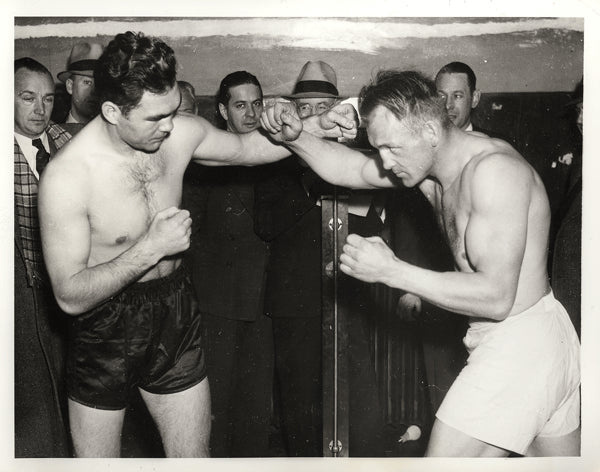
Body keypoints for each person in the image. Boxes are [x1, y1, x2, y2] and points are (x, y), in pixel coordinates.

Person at [38, 31, 346, 458]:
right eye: (154, 119)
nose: (169, 127)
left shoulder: (176, 132)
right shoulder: (68, 176)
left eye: (171, 113)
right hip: (104, 325)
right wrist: (151, 248)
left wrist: (313, 128)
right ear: (111, 111)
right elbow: (69, 295)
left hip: (173, 311)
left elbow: (245, 149)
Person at [260, 69, 580, 457]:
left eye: (392, 148)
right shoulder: (431, 169)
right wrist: (295, 140)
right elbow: (349, 168)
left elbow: (497, 297)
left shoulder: (493, 174)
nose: (384, 160)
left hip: (520, 343)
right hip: (538, 339)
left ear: (430, 131)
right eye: (379, 148)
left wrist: (391, 270)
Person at [254, 60, 385, 456]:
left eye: (322, 107)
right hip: (295, 301)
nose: (314, 116)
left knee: (356, 398)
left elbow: (373, 224)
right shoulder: (274, 157)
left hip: (346, 297)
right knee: (299, 405)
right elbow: (266, 223)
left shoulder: (356, 156)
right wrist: (313, 179)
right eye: (305, 107)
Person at [184, 71, 275, 457]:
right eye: (240, 105)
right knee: (217, 405)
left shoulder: (275, 157)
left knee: (256, 408)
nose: (251, 113)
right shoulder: (205, 163)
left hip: (265, 303)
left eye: (257, 103)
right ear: (222, 111)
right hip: (218, 304)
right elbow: (190, 233)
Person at [14, 57, 74, 457]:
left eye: (48, 99)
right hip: (21, 297)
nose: (40, 110)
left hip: (72, 291)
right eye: (27, 98)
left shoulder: (70, 145)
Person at [551, 79, 582, 339]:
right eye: (578, 110)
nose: (581, 120)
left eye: (589, 108)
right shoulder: (583, 161)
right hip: (572, 302)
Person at [57, 42, 104, 129]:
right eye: (87, 82)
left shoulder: (112, 134)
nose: (94, 91)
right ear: (70, 86)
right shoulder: (53, 134)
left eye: (99, 84)